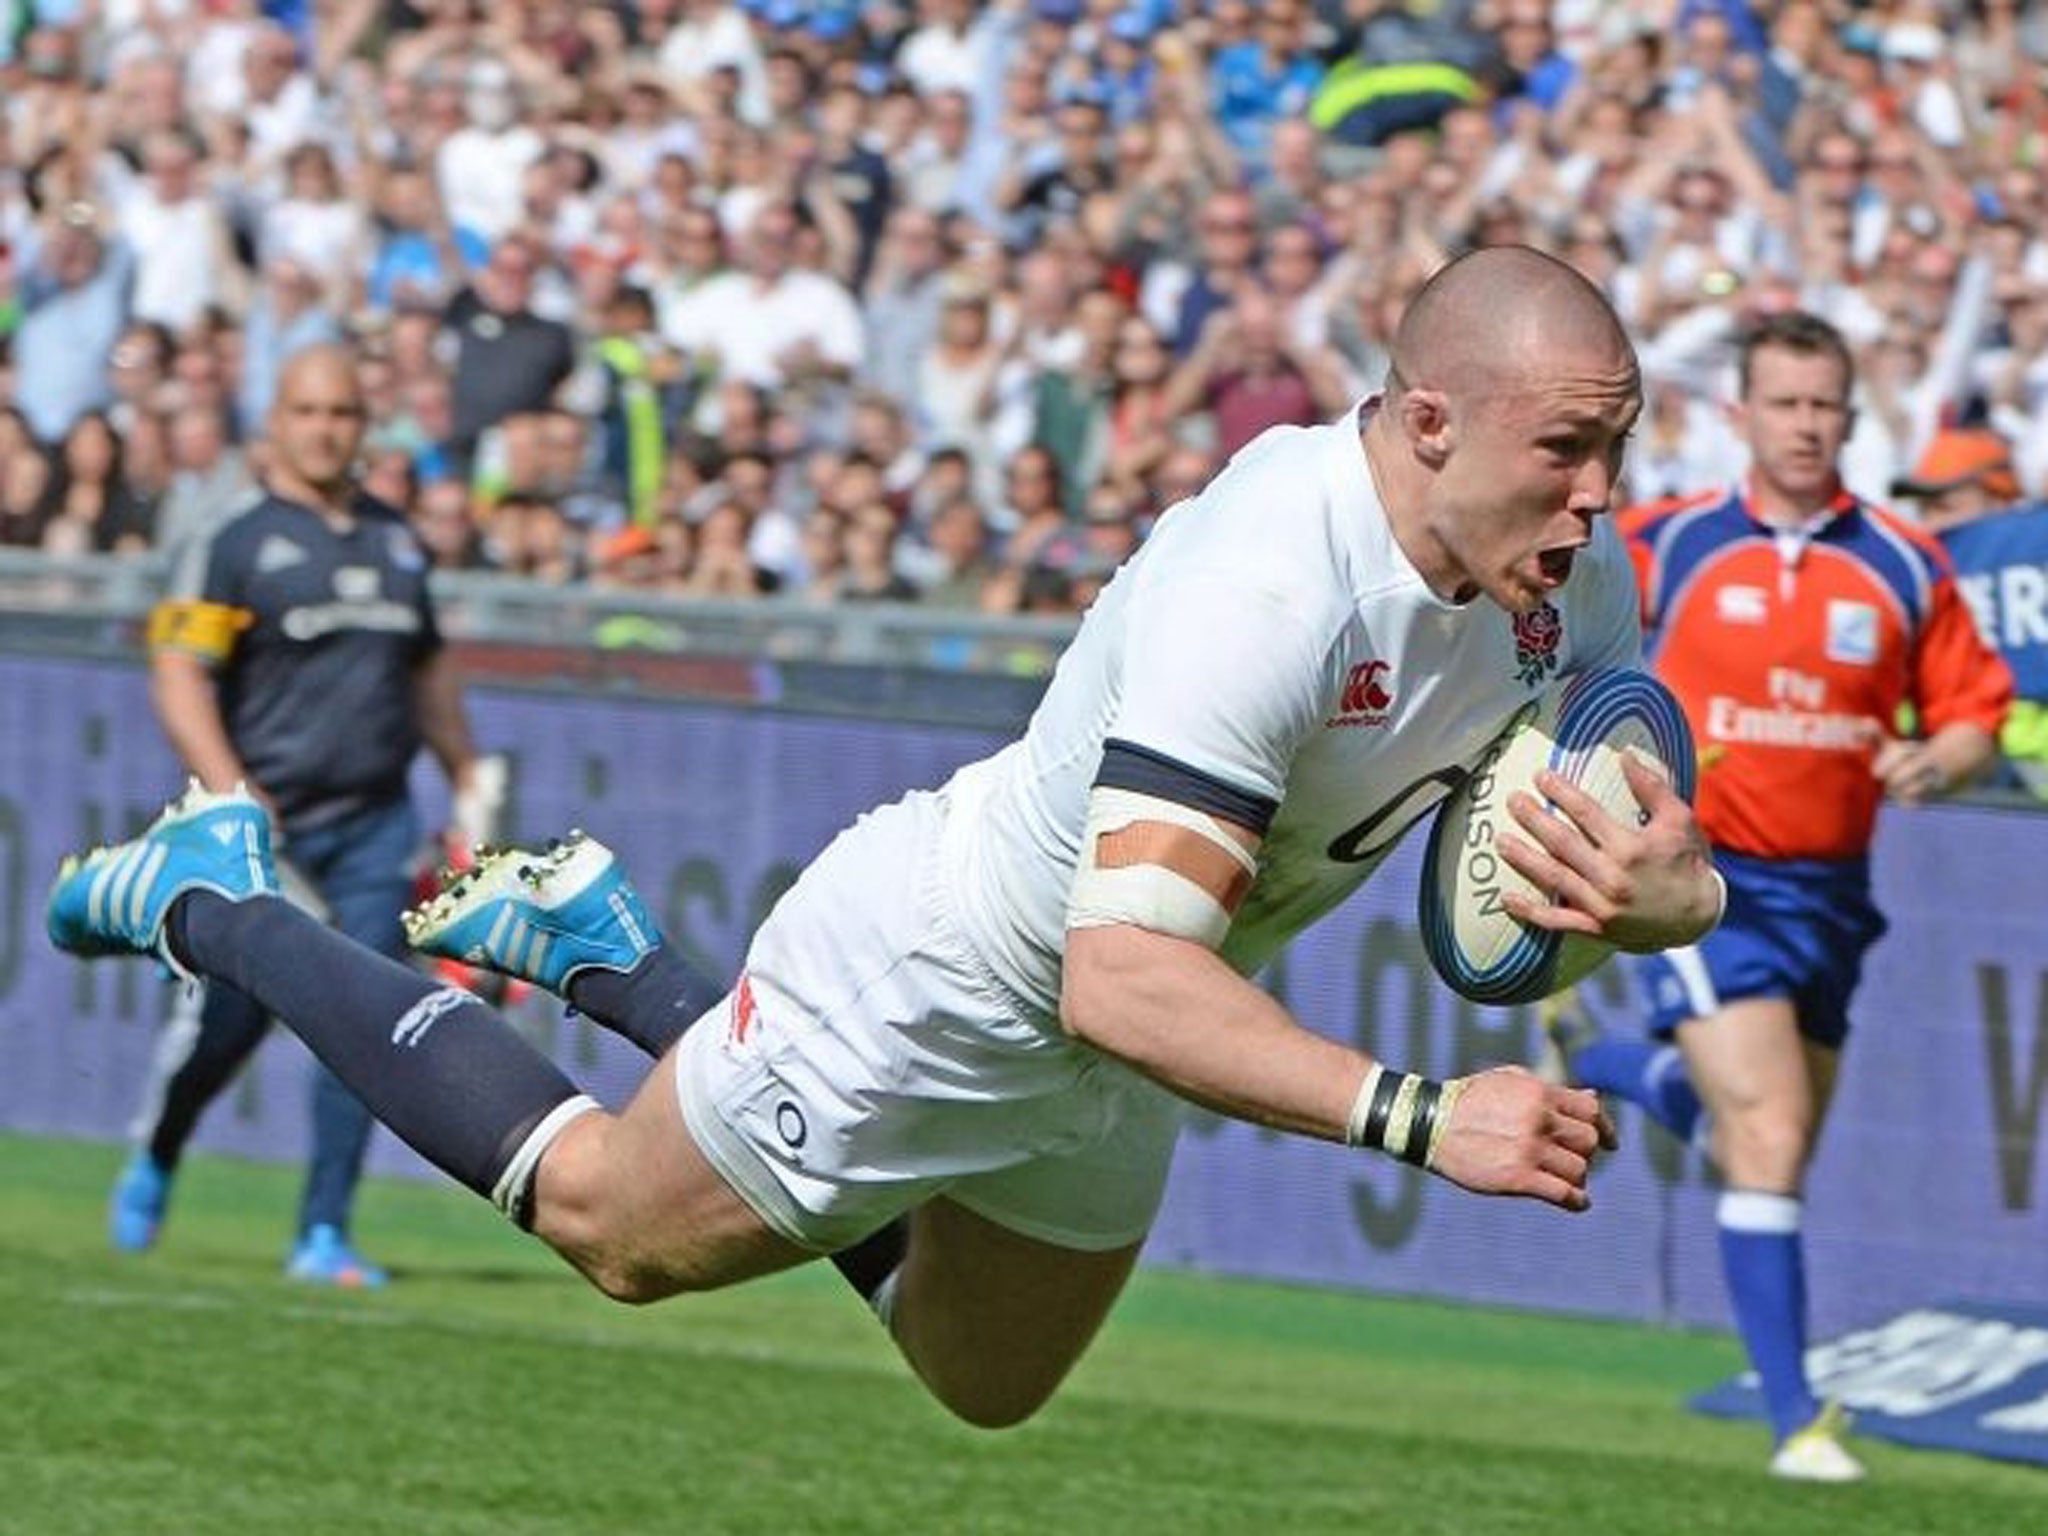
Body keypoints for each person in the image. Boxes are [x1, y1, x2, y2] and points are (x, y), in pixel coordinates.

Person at [50, 247, 1722, 1426]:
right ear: (1427, 422)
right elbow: (1121, 977)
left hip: (1119, 1030)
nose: (1597, 493)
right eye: (1564, 448)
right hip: (954, 973)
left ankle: (615, 957)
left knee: (980, 1381)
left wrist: (1671, 890)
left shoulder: (1572, 576)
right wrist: (1424, 1113)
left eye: (1613, 447)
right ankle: (224, 902)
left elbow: (1606, 804)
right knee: (612, 1231)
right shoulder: (1264, 581)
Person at [1543, 312, 2013, 1481]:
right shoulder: (1672, 544)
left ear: (1849, 421)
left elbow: (1971, 707)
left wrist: (1937, 761)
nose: (1804, 425)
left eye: (1824, 407)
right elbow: (1552, 606)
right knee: (1765, 1134)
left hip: (1832, 891)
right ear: (1738, 415)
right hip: (1704, 881)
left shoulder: (1901, 562)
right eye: (1784, 404)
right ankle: (1797, 1417)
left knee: (1771, 1142)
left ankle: (1622, 1071)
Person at [105, 344, 496, 1286]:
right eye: (310, 411)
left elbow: (428, 671)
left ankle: (323, 1231)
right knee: (226, 1026)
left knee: (363, 1026)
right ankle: (159, 1150)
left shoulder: (398, 545)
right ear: (277, 421)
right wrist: (231, 785)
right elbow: (177, 672)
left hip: (372, 825)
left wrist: (466, 772)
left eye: (344, 413)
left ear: (364, 426)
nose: (327, 429)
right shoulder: (233, 539)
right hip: (260, 841)